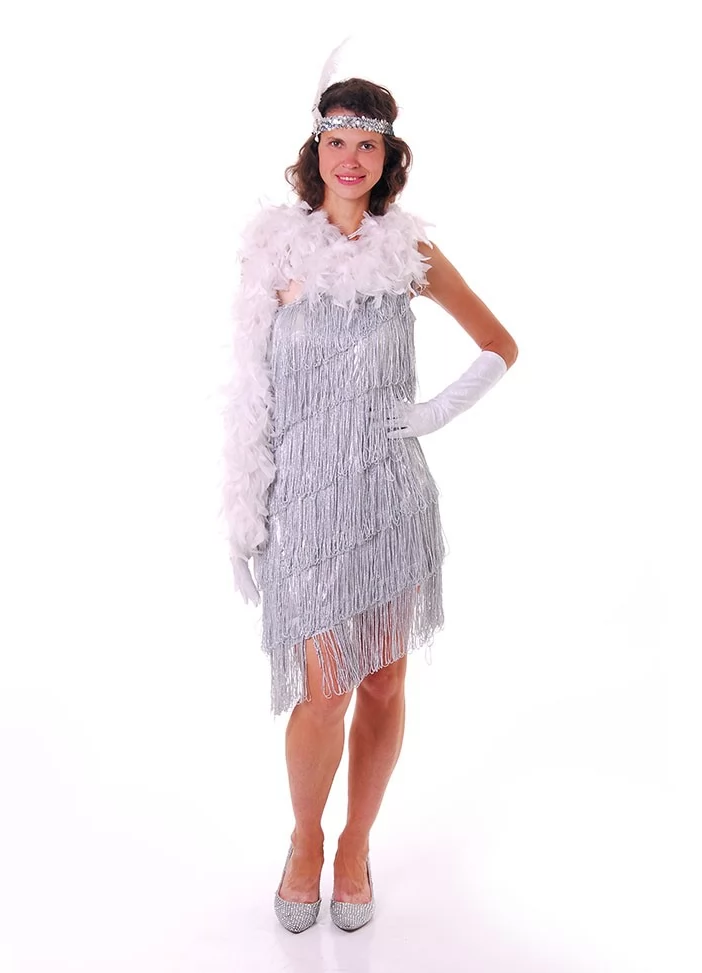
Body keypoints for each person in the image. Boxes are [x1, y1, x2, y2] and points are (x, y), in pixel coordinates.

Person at [220, 73, 518, 934]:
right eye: (337, 142)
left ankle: (355, 845)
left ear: (388, 159)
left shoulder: (409, 255)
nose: (350, 159)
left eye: (368, 145)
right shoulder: (274, 253)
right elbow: (249, 390)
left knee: (383, 682)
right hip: (307, 504)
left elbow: (500, 343)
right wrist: (246, 507)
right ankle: (305, 839)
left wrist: (430, 414)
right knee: (324, 690)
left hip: (390, 498)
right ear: (314, 151)